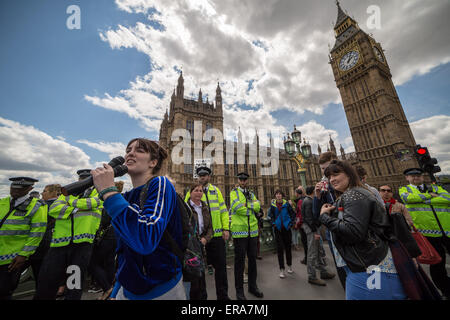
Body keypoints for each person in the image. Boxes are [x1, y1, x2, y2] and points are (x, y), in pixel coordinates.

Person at [91, 138, 185, 300]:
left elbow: (145, 239)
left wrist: (109, 192)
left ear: (153, 162)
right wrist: (116, 292)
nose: (130, 153)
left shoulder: (161, 184)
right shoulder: (126, 197)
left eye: (139, 150)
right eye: (128, 150)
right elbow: (126, 251)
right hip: (128, 291)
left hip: (161, 290)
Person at [319, 160, 407, 300]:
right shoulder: (353, 193)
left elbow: (353, 232)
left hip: (369, 267)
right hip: (367, 265)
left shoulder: (353, 195)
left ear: (349, 174)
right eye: (329, 177)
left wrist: (324, 218)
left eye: (336, 174)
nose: (332, 179)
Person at [35, 170, 103, 300]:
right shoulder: (68, 193)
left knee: (74, 282)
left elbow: (93, 203)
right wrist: (77, 207)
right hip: (59, 244)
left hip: (82, 244)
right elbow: (54, 209)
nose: (82, 183)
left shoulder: (97, 192)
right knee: (47, 280)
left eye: (85, 180)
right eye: (81, 180)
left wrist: (69, 202)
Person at [399, 168, 450, 299]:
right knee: (438, 264)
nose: (416, 177)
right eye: (412, 176)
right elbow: (409, 199)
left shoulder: (436, 187)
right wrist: (429, 196)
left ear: (422, 176)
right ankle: (446, 289)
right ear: (407, 178)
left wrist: (424, 200)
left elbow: (448, 199)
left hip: (447, 230)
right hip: (428, 233)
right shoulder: (404, 190)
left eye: (418, 175)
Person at [185, 166, 230, 300]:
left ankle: (223, 296)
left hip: (216, 236)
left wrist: (226, 228)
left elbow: (223, 211)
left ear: (209, 177)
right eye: (200, 175)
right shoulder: (192, 191)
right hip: (199, 239)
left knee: (221, 269)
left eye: (205, 175)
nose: (202, 177)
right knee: (199, 272)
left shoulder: (216, 191)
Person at [0, 177, 47, 300]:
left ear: (30, 189)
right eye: (13, 187)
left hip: (12, 258)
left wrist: (24, 254)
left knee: (4, 291)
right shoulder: (2, 202)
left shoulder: (37, 206)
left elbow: (37, 232)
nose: (15, 190)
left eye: (20, 188)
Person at [312, 151, 346, 289]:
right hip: (334, 234)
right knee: (341, 268)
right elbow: (317, 215)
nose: (326, 172)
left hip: (353, 234)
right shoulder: (324, 187)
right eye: (322, 169)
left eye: (329, 167)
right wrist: (318, 196)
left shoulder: (350, 184)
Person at [230, 172, 264, 300]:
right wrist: (251, 207)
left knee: (253, 261)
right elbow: (237, 208)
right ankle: (239, 291)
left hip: (253, 232)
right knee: (239, 263)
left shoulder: (251, 193)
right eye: (241, 179)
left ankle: (253, 286)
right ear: (238, 180)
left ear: (247, 181)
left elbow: (258, 206)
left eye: (245, 179)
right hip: (240, 232)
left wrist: (248, 206)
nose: (243, 181)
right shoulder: (234, 193)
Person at [88, 181, 124, 298]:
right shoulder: (122, 199)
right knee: (109, 261)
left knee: (92, 262)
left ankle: (106, 287)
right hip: (117, 234)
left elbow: (104, 220)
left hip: (108, 235)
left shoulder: (109, 200)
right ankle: (109, 290)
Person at [29, 184, 61, 292]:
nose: (42, 193)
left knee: (40, 273)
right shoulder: (62, 204)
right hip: (55, 242)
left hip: (42, 244)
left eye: (45, 191)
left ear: (52, 193)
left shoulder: (44, 206)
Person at [302, 186, 335, 286]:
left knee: (319, 251)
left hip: (315, 229)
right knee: (312, 253)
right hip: (312, 230)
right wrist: (315, 231)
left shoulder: (310, 200)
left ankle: (323, 271)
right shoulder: (308, 201)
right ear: (313, 192)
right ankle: (312, 276)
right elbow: (308, 218)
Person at [185, 183, 213, 300]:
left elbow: (210, 227)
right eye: (196, 190)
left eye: (201, 191)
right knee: (193, 278)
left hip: (201, 244)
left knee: (202, 276)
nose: (199, 193)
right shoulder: (185, 207)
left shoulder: (205, 207)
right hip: (190, 247)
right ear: (190, 192)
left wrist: (206, 238)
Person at [268, 190, 295, 279]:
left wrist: (290, 223)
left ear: (282, 196)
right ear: (275, 196)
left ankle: (290, 265)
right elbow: (270, 216)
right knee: (280, 249)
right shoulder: (273, 206)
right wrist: (274, 224)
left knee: (288, 248)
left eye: (280, 194)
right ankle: (282, 269)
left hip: (286, 229)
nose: (278, 196)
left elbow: (292, 214)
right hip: (278, 229)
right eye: (277, 194)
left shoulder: (287, 204)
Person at [294, 187, 308, 263]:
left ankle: (307, 259)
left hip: (303, 225)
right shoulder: (306, 199)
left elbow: (300, 214)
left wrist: (297, 223)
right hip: (306, 224)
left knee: (305, 243)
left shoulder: (300, 201)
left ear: (297, 193)